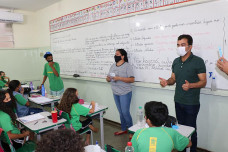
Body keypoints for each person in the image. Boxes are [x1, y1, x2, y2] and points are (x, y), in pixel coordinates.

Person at [159, 34, 206, 152]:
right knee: (180, 129)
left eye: (183, 45)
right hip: (178, 100)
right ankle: (183, 150)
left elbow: (203, 82)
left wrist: (191, 85)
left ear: (190, 47)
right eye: (178, 45)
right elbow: (173, 79)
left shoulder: (198, 61)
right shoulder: (176, 61)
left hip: (191, 103)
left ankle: (193, 150)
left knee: (191, 129)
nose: (180, 47)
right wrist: (166, 82)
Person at [106, 49, 135, 136]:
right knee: (121, 112)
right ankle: (123, 129)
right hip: (115, 92)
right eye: (115, 54)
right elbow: (108, 78)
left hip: (125, 92)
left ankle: (131, 132)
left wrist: (119, 78)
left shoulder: (127, 66)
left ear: (123, 56)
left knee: (125, 112)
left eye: (117, 54)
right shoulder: (113, 66)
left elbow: (132, 79)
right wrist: (108, 79)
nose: (115, 56)